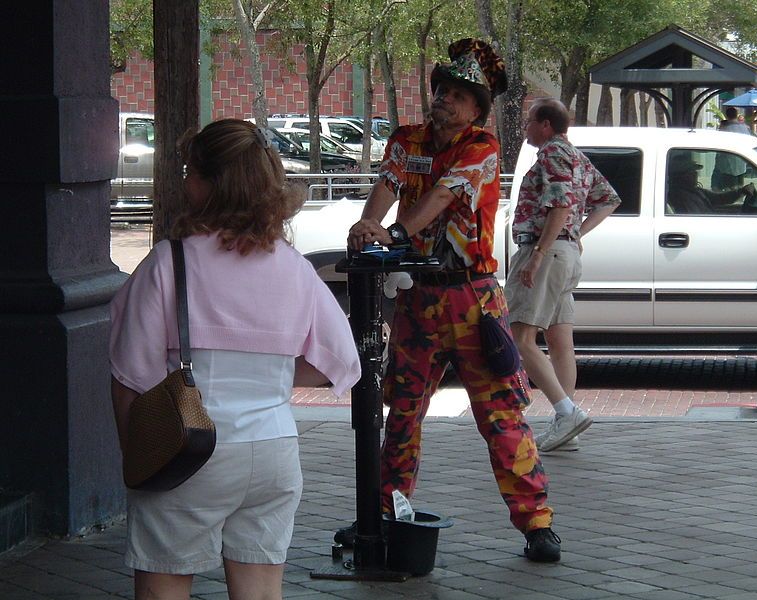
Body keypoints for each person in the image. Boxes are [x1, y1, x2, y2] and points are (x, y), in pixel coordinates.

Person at [109, 119, 361, 600]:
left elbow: (130, 378)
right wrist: (264, 376)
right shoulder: (293, 265)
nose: (184, 181)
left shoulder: (170, 262)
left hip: (189, 450)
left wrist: (137, 458)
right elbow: (340, 362)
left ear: (210, 184)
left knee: (165, 585)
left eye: (190, 171)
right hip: (273, 451)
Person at [342, 38, 561, 562]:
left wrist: (391, 235)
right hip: (419, 301)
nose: (446, 98)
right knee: (401, 413)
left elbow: (441, 196)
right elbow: (388, 185)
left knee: (501, 415)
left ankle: (537, 526)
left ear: (477, 109)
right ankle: (385, 516)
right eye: (443, 88)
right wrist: (368, 223)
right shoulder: (405, 139)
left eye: (461, 95)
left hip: (473, 302)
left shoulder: (480, 147)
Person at [505, 98, 620, 454]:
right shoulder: (578, 157)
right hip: (565, 253)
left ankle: (566, 412)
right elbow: (609, 200)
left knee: (520, 336)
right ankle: (567, 421)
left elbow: (560, 204)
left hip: (547, 252)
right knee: (559, 341)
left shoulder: (552, 155)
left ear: (545, 124)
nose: (525, 128)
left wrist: (538, 253)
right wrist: (576, 235)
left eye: (528, 122)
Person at [668, 152, 754, 214]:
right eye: (691, 171)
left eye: (695, 171)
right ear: (681, 176)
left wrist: (741, 191)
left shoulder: (696, 191)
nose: (695, 174)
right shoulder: (680, 197)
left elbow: (719, 198)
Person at [712, 107, 751, 190]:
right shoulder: (744, 128)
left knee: (726, 189)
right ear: (736, 115)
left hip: (726, 165)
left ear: (726, 115)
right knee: (739, 189)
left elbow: (718, 145)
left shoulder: (725, 129)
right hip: (741, 163)